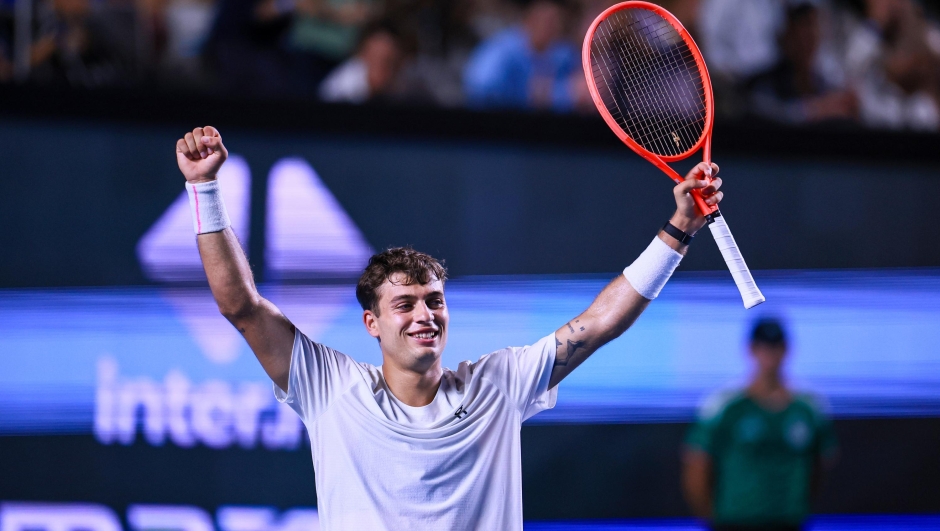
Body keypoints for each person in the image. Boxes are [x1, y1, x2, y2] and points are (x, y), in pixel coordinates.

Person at [174, 125, 724, 530]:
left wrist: (680, 228)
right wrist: (204, 189)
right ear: (372, 323)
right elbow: (240, 306)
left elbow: (599, 324)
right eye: (405, 304)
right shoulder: (330, 388)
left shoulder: (500, 385)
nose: (424, 316)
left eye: (434, 301)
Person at [682, 318, 839, 531]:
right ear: (751, 349)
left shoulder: (808, 408)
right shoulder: (726, 406)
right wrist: (712, 520)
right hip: (736, 522)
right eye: (763, 346)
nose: (770, 354)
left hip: (789, 521)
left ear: (786, 349)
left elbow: (821, 465)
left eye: (776, 346)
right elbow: (697, 465)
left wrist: (800, 507)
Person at [463, 0, 577, 111]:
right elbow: (481, 87)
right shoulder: (501, 51)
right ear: (529, 19)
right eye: (548, 20)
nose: (553, 27)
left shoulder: (563, 53)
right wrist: (530, 93)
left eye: (557, 20)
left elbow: (575, 91)